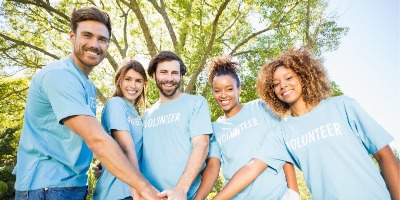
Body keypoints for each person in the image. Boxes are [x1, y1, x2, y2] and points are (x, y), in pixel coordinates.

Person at [13, 6, 162, 200]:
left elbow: (80, 140)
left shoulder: (88, 85)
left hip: (74, 184)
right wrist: (143, 188)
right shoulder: (59, 75)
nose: (95, 44)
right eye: (87, 35)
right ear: (72, 36)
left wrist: (108, 165)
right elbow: (96, 138)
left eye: (102, 39)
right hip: (45, 186)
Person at [213, 47, 400, 200]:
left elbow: (385, 157)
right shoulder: (282, 133)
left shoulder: (342, 106)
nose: (282, 85)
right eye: (275, 84)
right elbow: (251, 168)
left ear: (303, 76)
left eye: (288, 78)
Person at [193, 55, 299, 200]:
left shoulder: (261, 107)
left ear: (239, 89)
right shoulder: (215, 128)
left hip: (276, 195)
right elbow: (213, 166)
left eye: (229, 89)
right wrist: (198, 198)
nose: (223, 95)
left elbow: (283, 150)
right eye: (217, 91)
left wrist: (293, 192)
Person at [141, 51, 212, 200]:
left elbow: (202, 145)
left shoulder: (196, 103)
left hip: (185, 196)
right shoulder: (145, 115)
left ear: (180, 76)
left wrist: (181, 189)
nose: (169, 78)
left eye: (175, 73)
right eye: (163, 72)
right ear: (153, 75)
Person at [93, 59, 148, 200]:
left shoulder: (136, 113)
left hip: (131, 191)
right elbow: (125, 147)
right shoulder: (115, 104)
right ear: (119, 81)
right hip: (116, 193)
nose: (133, 85)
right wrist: (139, 188)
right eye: (128, 79)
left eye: (138, 81)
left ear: (144, 84)